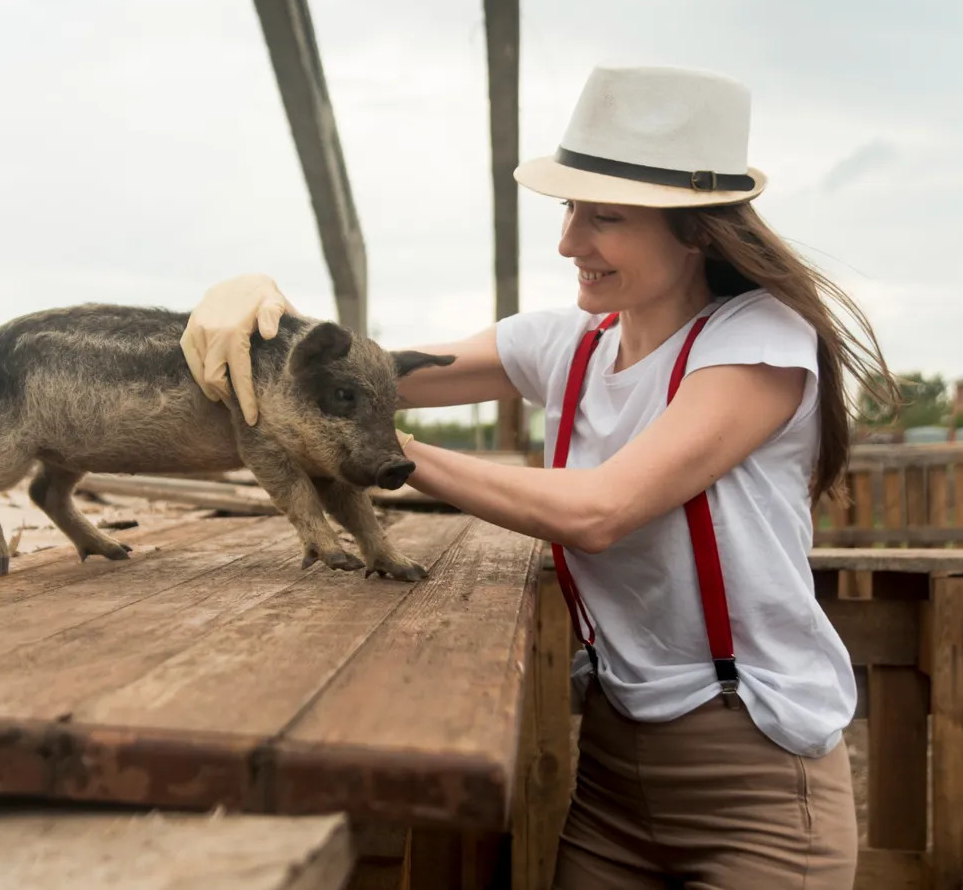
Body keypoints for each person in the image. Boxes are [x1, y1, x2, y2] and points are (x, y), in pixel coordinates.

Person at [179, 65, 896, 889]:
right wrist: (263, 308)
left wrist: (383, 455)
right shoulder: (568, 343)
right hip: (612, 777)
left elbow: (602, 509)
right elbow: (363, 375)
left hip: (757, 786)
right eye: (569, 210)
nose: (568, 243)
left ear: (698, 231)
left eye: (606, 217)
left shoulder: (759, 344)